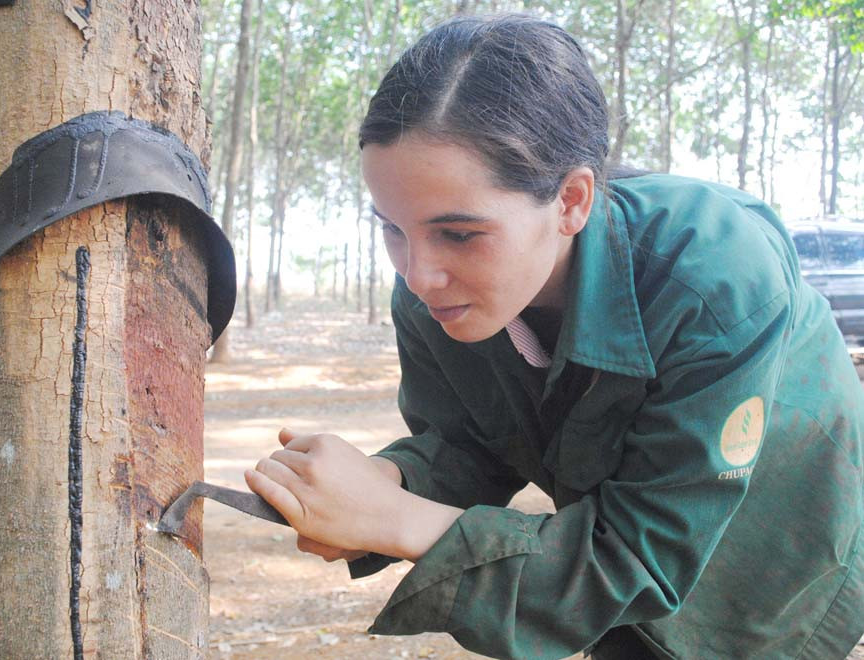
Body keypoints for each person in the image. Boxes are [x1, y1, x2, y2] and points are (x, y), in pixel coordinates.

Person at [244, 14, 864, 660]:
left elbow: (634, 558)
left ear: (571, 201)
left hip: (784, 549)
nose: (419, 276)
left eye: (458, 234)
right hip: (621, 546)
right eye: (393, 228)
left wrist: (393, 520)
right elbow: (469, 445)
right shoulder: (430, 294)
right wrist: (383, 482)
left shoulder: (717, 283)